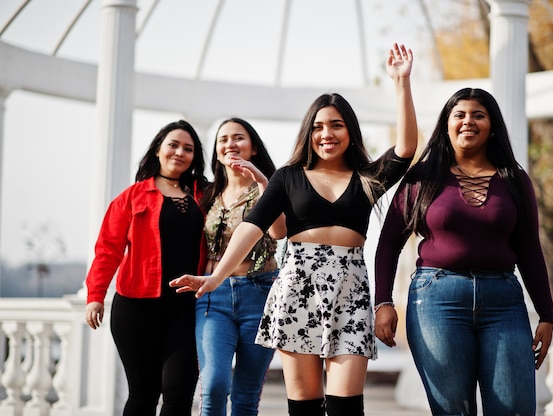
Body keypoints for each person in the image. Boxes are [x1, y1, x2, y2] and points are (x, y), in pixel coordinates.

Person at [170, 42, 417, 416]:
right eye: (318, 127)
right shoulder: (287, 177)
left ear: (350, 131)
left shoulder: (368, 178)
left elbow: (406, 149)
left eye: (336, 125)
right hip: (297, 286)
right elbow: (251, 228)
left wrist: (401, 83)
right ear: (308, 132)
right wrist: (215, 278)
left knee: (347, 407)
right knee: (304, 408)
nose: (326, 134)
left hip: (350, 292)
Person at [374, 87, 553, 416]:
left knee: (514, 409)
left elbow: (529, 247)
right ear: (446, 124)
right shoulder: (422, 177)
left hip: (503, 303)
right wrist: (383, 302)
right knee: (454, 411)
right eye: (459, 115)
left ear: (492, 126)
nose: (467, 121)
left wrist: (547, 314)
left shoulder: (514, 179)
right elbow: (388, 242)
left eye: (478, 115)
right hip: (436, 301)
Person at [84, 120, 209, 416]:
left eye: (188, 148)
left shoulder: (205, 195)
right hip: (136, 309)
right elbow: (107, 250)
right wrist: (95, 295)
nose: (180, 152)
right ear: (157, 150)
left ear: (195, 156)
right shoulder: (131, 197)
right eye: (173, 145)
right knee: (143, 394)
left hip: (186, 309)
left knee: (178, 397)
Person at [196, 117, 287, 416]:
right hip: (214, 295)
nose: (230, 144)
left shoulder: (272, 186)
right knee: (213, 386)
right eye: (223, 139)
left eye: (238, 138)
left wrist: (263, 182)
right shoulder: (207, 194)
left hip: (260, 294)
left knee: (246, 395)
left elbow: (279, 231)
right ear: (217, 151)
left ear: (253, 148)